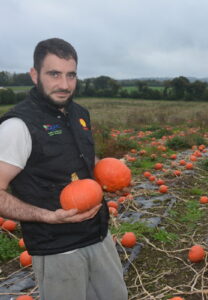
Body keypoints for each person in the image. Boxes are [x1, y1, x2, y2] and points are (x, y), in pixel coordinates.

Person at [0, 38, 128, 300]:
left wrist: (111, 177)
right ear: (34, 74)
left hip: (99, 234)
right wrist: (48, 216)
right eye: (54, 74)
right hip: (57, 248)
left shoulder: (79, 113)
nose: (64, 84)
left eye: (71, 75)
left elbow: (83, 163)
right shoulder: (17, 126)